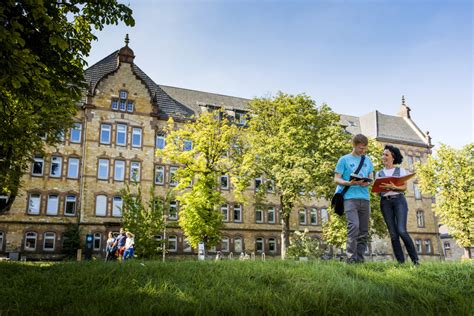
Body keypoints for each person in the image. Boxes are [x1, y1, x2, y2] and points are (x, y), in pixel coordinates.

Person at [376, 145, 419, 265]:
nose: (383, 157)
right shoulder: (379, 173)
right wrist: (379, 189)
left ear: (393, 157)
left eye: (386, 155)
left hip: (399, 200)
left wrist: (393, 187)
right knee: (393, 234)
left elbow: (404, 187)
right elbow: (378, 192)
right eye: (383, 154)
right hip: (385, 202)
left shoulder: (400, 171)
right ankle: (401, 262)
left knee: (401, 231)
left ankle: (415, 260)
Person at [334, 134, 374, 263]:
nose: (363, 151)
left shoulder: (367, 160)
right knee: (354, 226)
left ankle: (360, 259)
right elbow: (336, 179)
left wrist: (366, 182)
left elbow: (371, 178)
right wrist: (348, 183)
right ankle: (351, 258)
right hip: (349, 198)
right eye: (360, 148)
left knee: (364, 230)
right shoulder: (344, 160)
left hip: (365, 198)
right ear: (354, 145)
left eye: (364, 148)